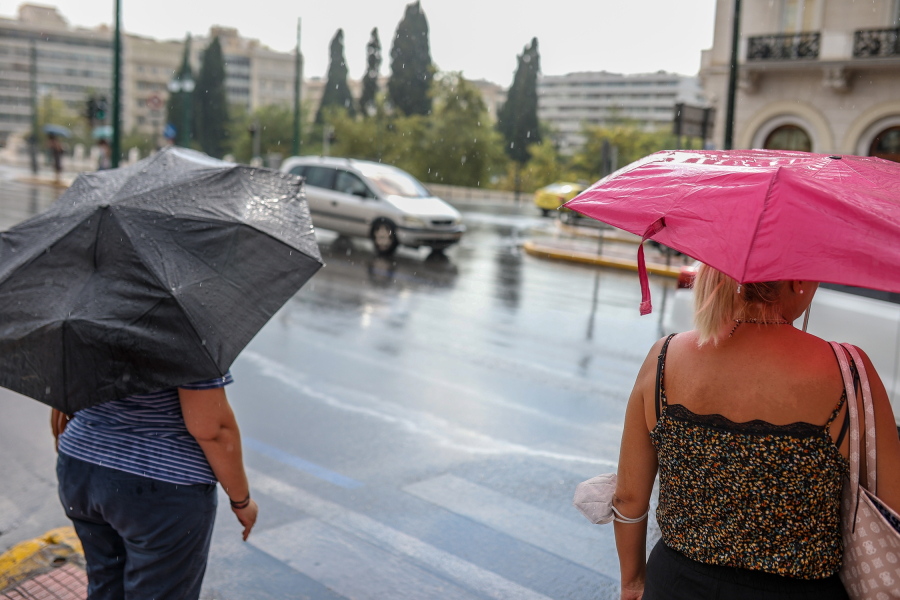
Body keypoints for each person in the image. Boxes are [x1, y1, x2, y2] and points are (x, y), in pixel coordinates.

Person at [613, 265, 900, 599]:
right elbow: (891, 507)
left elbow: (627, 499)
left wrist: (633, 582)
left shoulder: (664, 357)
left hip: (675, 583)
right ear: (798, 279)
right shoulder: (849, 371)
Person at [51, 372, 258, 600]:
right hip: (159, 484)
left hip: (80, 465)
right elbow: (212, 430)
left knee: (105, 583)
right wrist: (241, 500)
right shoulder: (187, 348)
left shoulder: (82, 345)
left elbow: (60, 399)